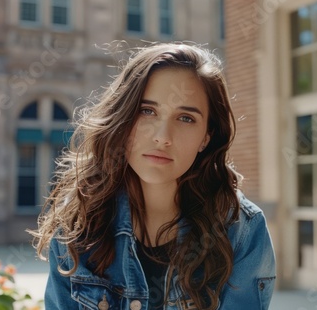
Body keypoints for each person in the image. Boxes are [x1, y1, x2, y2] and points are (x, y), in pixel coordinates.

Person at [30, 43, 276, 310]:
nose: (162, 137)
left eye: (186, 118)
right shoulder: (78, 223)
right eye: (147, 111)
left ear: (206, 136)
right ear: (123, 117)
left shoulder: (241, 230)